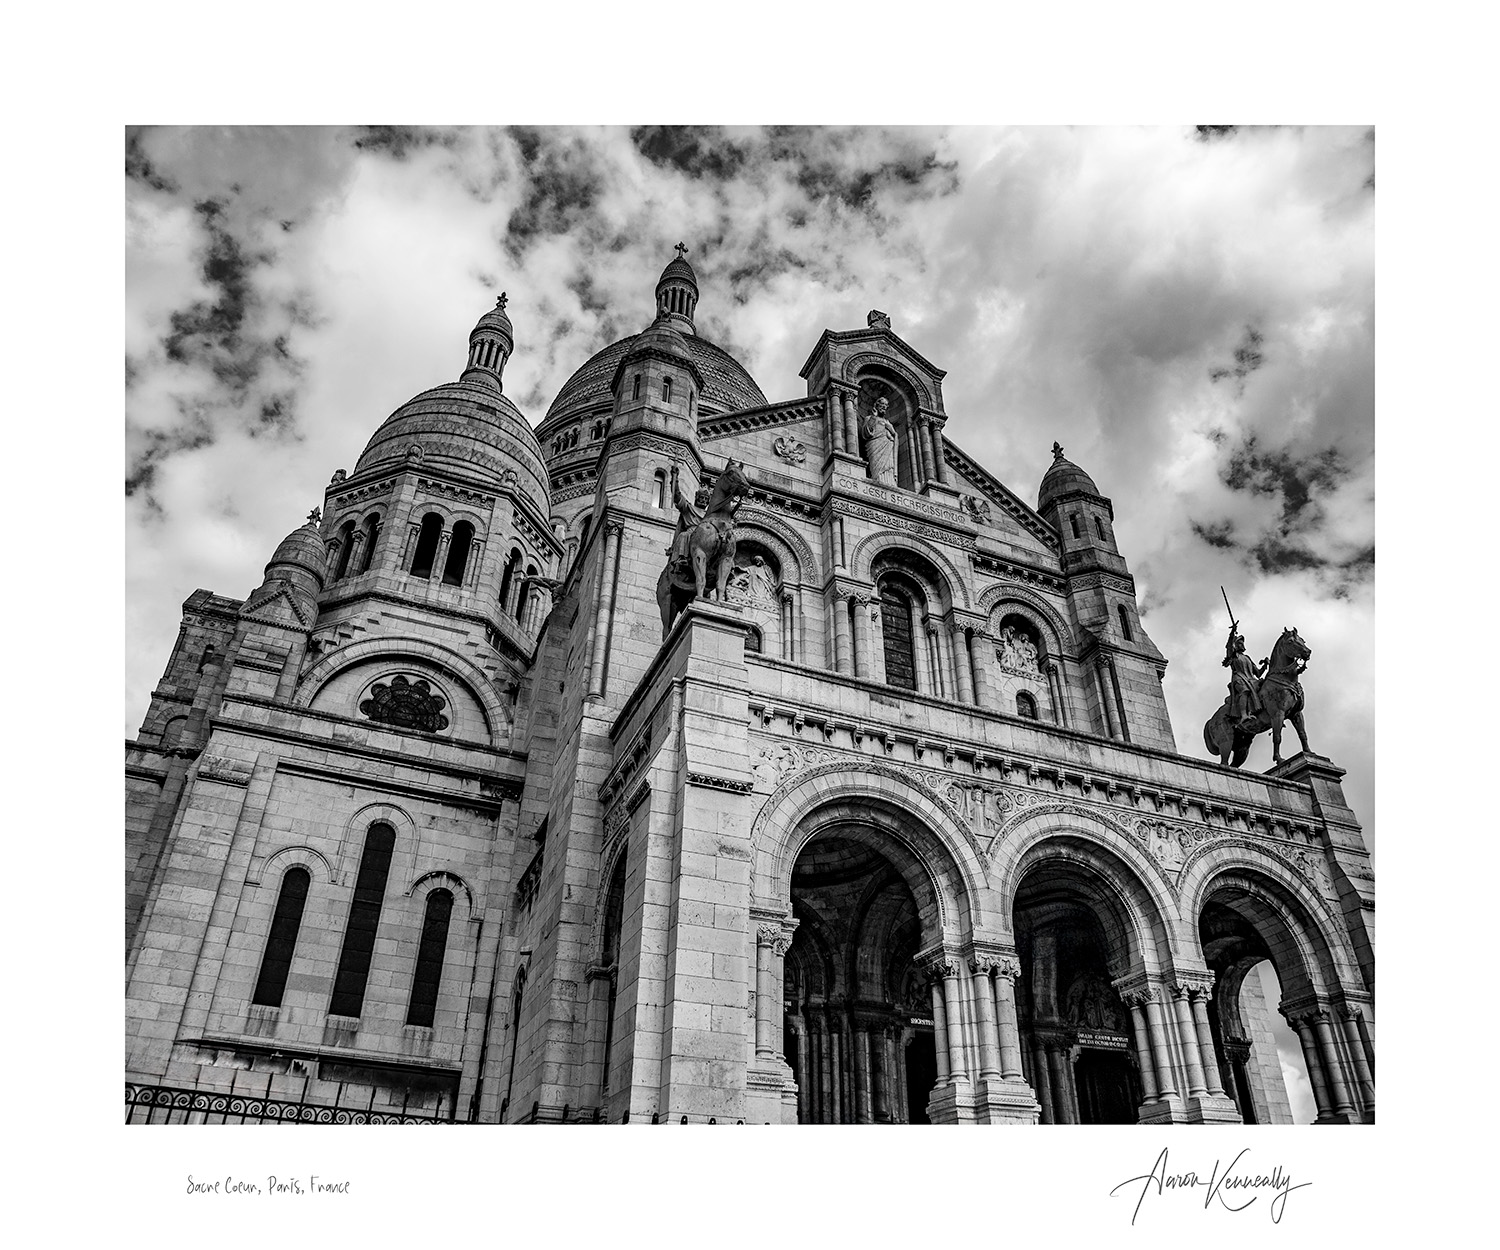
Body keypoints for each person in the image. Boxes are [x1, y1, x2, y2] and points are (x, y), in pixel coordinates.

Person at [1224, 626, 1267, 728]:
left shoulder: (1247, 658)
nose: (1242, 645)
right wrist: (1232, 633)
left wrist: (1265, 665)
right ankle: (1243, 715)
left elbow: (1258, 673)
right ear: (1235, 645)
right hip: (1239, 679)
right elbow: (1229, 646)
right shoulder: (1233, 656)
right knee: (1245, 691)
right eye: (1239, 643)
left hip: (1251, 680)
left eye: (1242, 643)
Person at [668, 465, 707, 569]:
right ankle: (682, 558)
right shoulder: (688, 508)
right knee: (684, 535)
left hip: (706, 536)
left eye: (705, 499)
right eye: (701, 498)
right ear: (697, 498)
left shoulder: (709, 514)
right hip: (691, 533)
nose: (703, 500)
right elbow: (677, 496)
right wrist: (675, 479)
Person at [861, 395, 898, 485]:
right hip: (875, 446)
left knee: (888, 467)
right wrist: (874, 417)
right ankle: (877, 480)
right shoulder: (869, 418)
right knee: (876, 468)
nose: (884, 407)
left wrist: (892, 433)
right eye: (882, 404)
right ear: (876, 405)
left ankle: (890, 483)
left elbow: (894, 436)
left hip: (887, 447)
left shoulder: (887, 422)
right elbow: (866, 433)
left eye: (886, 405)